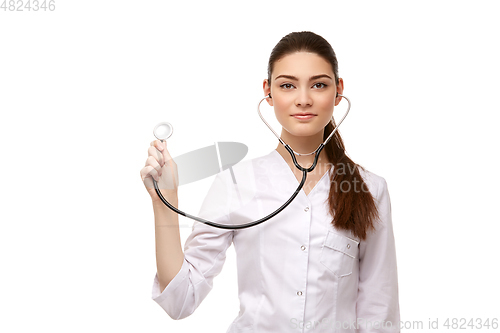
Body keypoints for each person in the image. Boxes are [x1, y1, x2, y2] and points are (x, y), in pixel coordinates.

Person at [140, 31, 400, 333]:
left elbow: (379, 312)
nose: (303, 100)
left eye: (319, 85)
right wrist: (164, 202)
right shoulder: (235, 184)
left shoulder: (370, 189)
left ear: (338, 91)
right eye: (287, 85)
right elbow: (180, 301)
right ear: (269, 92)